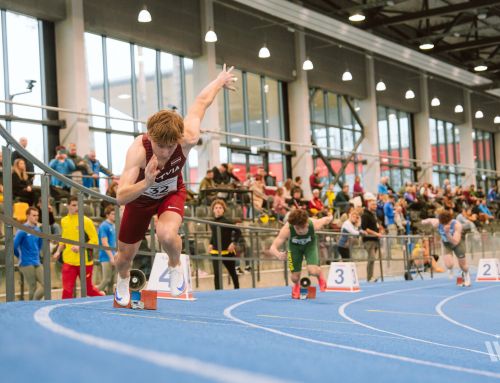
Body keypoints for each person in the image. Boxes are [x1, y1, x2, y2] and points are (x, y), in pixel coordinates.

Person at [114, 64, 237, 306]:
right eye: (161, 147)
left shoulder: (187, 137)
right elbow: (120, 196)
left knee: (167, 235)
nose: (166, 152)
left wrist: (219, 81)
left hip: (171, 193)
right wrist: (146, 182)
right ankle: (122, 279)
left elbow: (200, 103)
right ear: (151, 138)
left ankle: (174, 265)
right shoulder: (139, 150)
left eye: (171, 147)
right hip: (139, 199)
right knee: (123, 257)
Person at [269, 209, 332, 299]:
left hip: (310, 246)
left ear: (307, 222)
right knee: (295, 277)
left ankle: (319, 274)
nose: (301, 231)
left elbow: (327, 219)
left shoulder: (315, 224)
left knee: (312, 270)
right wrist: (278, 255)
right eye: (297, 228)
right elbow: (272, 248)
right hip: (294, 248)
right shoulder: (287, 229)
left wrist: (331, 216)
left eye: (303, 227)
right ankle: (296, 286)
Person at [53, 196, 104, 299]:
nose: (76, 207)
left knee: (89, 290)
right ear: (67, 206)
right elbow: (64, 239)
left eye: (78, 205)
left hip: (85, 262)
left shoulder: (86, 221)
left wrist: (80, 247)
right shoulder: (64, 221)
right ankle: (64, 314)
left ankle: (104, 298)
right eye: (74, 205)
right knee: (67, 291)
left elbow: (95, 240)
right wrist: (58, 251)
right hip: (68, 261)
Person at [422, 210, 471, 286]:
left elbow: (455, 242)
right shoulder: (437, 222)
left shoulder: (457, 225)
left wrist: (447, 233)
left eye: (446, 223)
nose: (445, 225)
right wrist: (424, 221)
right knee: (449, 264)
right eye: (443, 224)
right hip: (446, 244)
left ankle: (466, 274)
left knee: (463, 265)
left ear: (450, 220)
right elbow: (429, 220)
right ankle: (450, 269)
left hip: (457, 243)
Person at [208, 199, 241, 290]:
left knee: (232, 272)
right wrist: (211, 243)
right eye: (216, 208)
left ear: (223, 210)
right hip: (215, 252)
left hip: (227, 252)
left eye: (220, 208)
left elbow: (238, 232)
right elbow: (214, 235)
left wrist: (233, 243)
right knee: (217, 274)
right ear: (213, 210)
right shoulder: (212, 223)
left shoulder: (228, 222)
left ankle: (237, 290)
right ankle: (217, 292)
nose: (218, 209)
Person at [13, 207, 44, 300]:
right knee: (32, 286)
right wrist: (20, 257)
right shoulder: (22, 230)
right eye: (34, 215)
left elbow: (39, 245)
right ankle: (32, 307)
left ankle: (33, 304)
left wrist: (36, 255)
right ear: (27, 216)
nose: (36, 217)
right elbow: (14, 246)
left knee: (45, 285)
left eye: (37, 215)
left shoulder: (38, 229)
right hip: (25, 262)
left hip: (36, 261)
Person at [361, 199, 383, 282]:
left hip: (375, 240)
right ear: (369, 205)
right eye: (373, 205)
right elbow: (365, 228)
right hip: (368, 240)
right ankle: (369, 277)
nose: (375, 206)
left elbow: (376, 225)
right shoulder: (365, 215)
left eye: (376, 205)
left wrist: (379, 230)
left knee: (372, 259)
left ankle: (371, 276)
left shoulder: (374, 215)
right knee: (372, 258)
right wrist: (376, 234)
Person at [97, 205, 117, 295]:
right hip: (106, 256)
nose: (115, 215)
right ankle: (92, 294)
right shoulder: (104, 226)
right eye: (113, 214)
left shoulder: (113, 225)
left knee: (112, 282)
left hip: (113, 255)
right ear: (107, 215)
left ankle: (108, 299)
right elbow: (104, 243)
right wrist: (111, 257)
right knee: (106, 279)